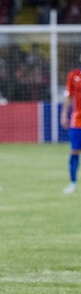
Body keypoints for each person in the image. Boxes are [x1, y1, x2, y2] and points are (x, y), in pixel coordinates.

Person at [60, 54, 81, 194]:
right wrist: (64, 114)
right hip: (77, 121)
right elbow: (69, 97)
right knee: (74, 151)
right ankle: (72, 182)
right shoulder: (73, 75)